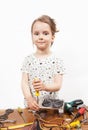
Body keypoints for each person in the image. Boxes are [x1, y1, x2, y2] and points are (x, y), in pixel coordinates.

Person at [21, 15, 65, 111]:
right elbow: (24, 82)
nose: (40, 37)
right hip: (32, 106)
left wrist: (44, 87)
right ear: (32, 37)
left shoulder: (57, 60)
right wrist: (29, 98)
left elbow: (58, 85)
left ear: (52, 37)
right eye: (36, 34)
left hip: (50, 108)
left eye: (45, 33)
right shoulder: (28, 60)